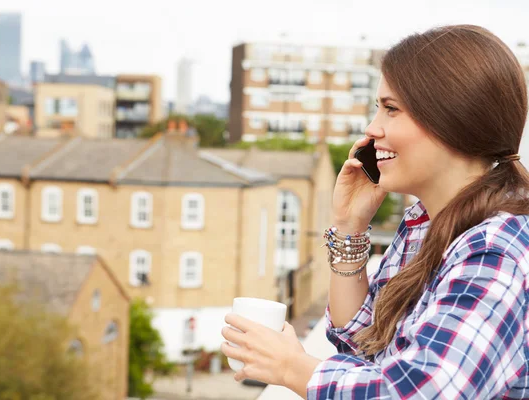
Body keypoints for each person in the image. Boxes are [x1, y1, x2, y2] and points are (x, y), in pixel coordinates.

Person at [220, 24, 529, 399]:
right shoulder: (424, 224)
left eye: (390, 110)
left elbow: (422, 391)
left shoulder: (496, 249)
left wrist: (290, 367)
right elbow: (363, 343)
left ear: (452, 117)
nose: (372, 129)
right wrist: (350, 228)